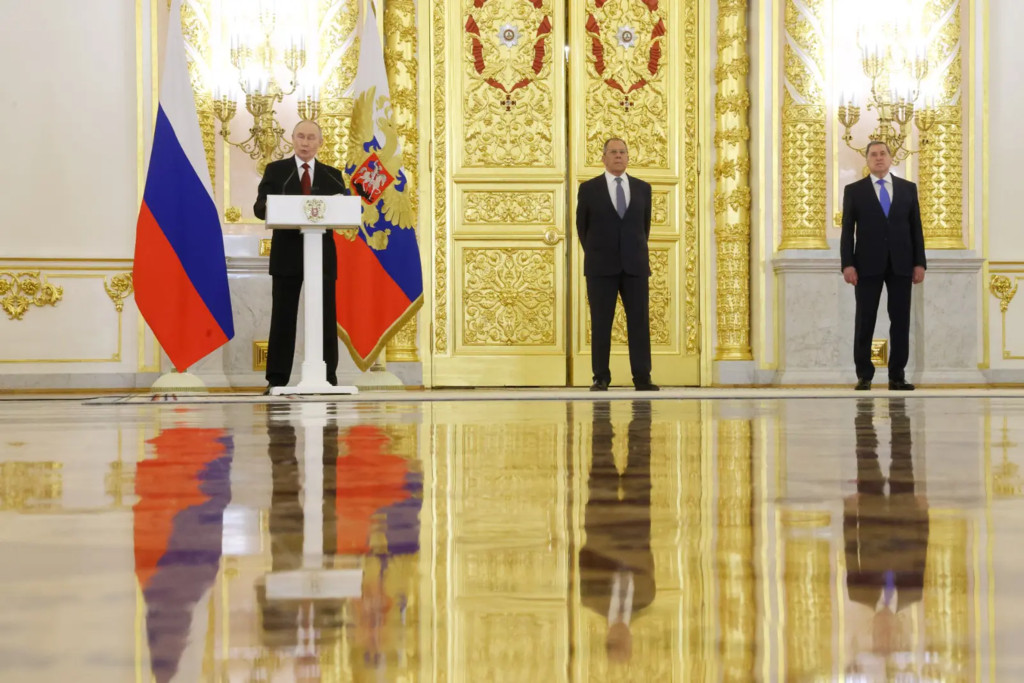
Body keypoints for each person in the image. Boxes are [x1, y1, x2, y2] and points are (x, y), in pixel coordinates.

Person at [254, 120, 349, 394]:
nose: (305, 143)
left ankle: (328, 378)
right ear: (292, 139)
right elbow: (260, 208)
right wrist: (273, 206)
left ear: (320, 143)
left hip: (321, 256)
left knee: (325, 318)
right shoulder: (277, 171)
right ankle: (277, 379)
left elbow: (343, 207)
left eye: (310, 138)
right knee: (283, 318)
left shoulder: (332, 175)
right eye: (300, 137)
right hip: (287, 255)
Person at [843, 399, 929, 675]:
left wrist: (849, 514)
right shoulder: (912, 594)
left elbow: (850, 549)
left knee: (866, 455)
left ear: (873, 630)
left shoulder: (859, 593)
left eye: (881, 636)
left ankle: (864, 411)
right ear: (898, 630)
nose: (886, 631)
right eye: (890, 636)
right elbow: (921, 552)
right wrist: (923, 515)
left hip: (870, 517)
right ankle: (899, 409)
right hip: (905, 515)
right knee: (902, 456)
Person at [840, 141, 927, 391]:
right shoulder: (854, 191)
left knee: (900, 320)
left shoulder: (908, 189)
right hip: (866, 265)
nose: (878, 158)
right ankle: (864, 375)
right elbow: (847, 230)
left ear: (890, 158)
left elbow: (916, 228)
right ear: (867, 160)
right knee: (865, 320)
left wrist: (919, 263)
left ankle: (897, 376)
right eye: (873, 154)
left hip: (902, 264)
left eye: (882, 154)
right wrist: (848, 264)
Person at [576, 138, 659, 391]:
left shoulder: (643, 188)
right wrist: (599, 252)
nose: (619, 156)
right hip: (601, 267)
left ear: (628, 157)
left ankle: (642, 377)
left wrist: (631, 251)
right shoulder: (589, 189)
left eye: (623, 152)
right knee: (601, 322)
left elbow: (644, 227)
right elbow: (582, 228)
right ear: (604, 158)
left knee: (639, 323)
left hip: (635, 266)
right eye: (613, 152)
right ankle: (600, 377)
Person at [579, 401, 656, 663]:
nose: (622, 638)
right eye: (624, 643)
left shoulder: (591, 600)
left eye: (617, 643)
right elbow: (648, 560)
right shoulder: (646, 598)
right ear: (630, 640)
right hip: (636, 525)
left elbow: (583, 558)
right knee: (640, 457)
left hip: (602, 522)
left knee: (601, 455)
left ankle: (602, 412)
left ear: (608, 638)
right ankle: (641, 413)